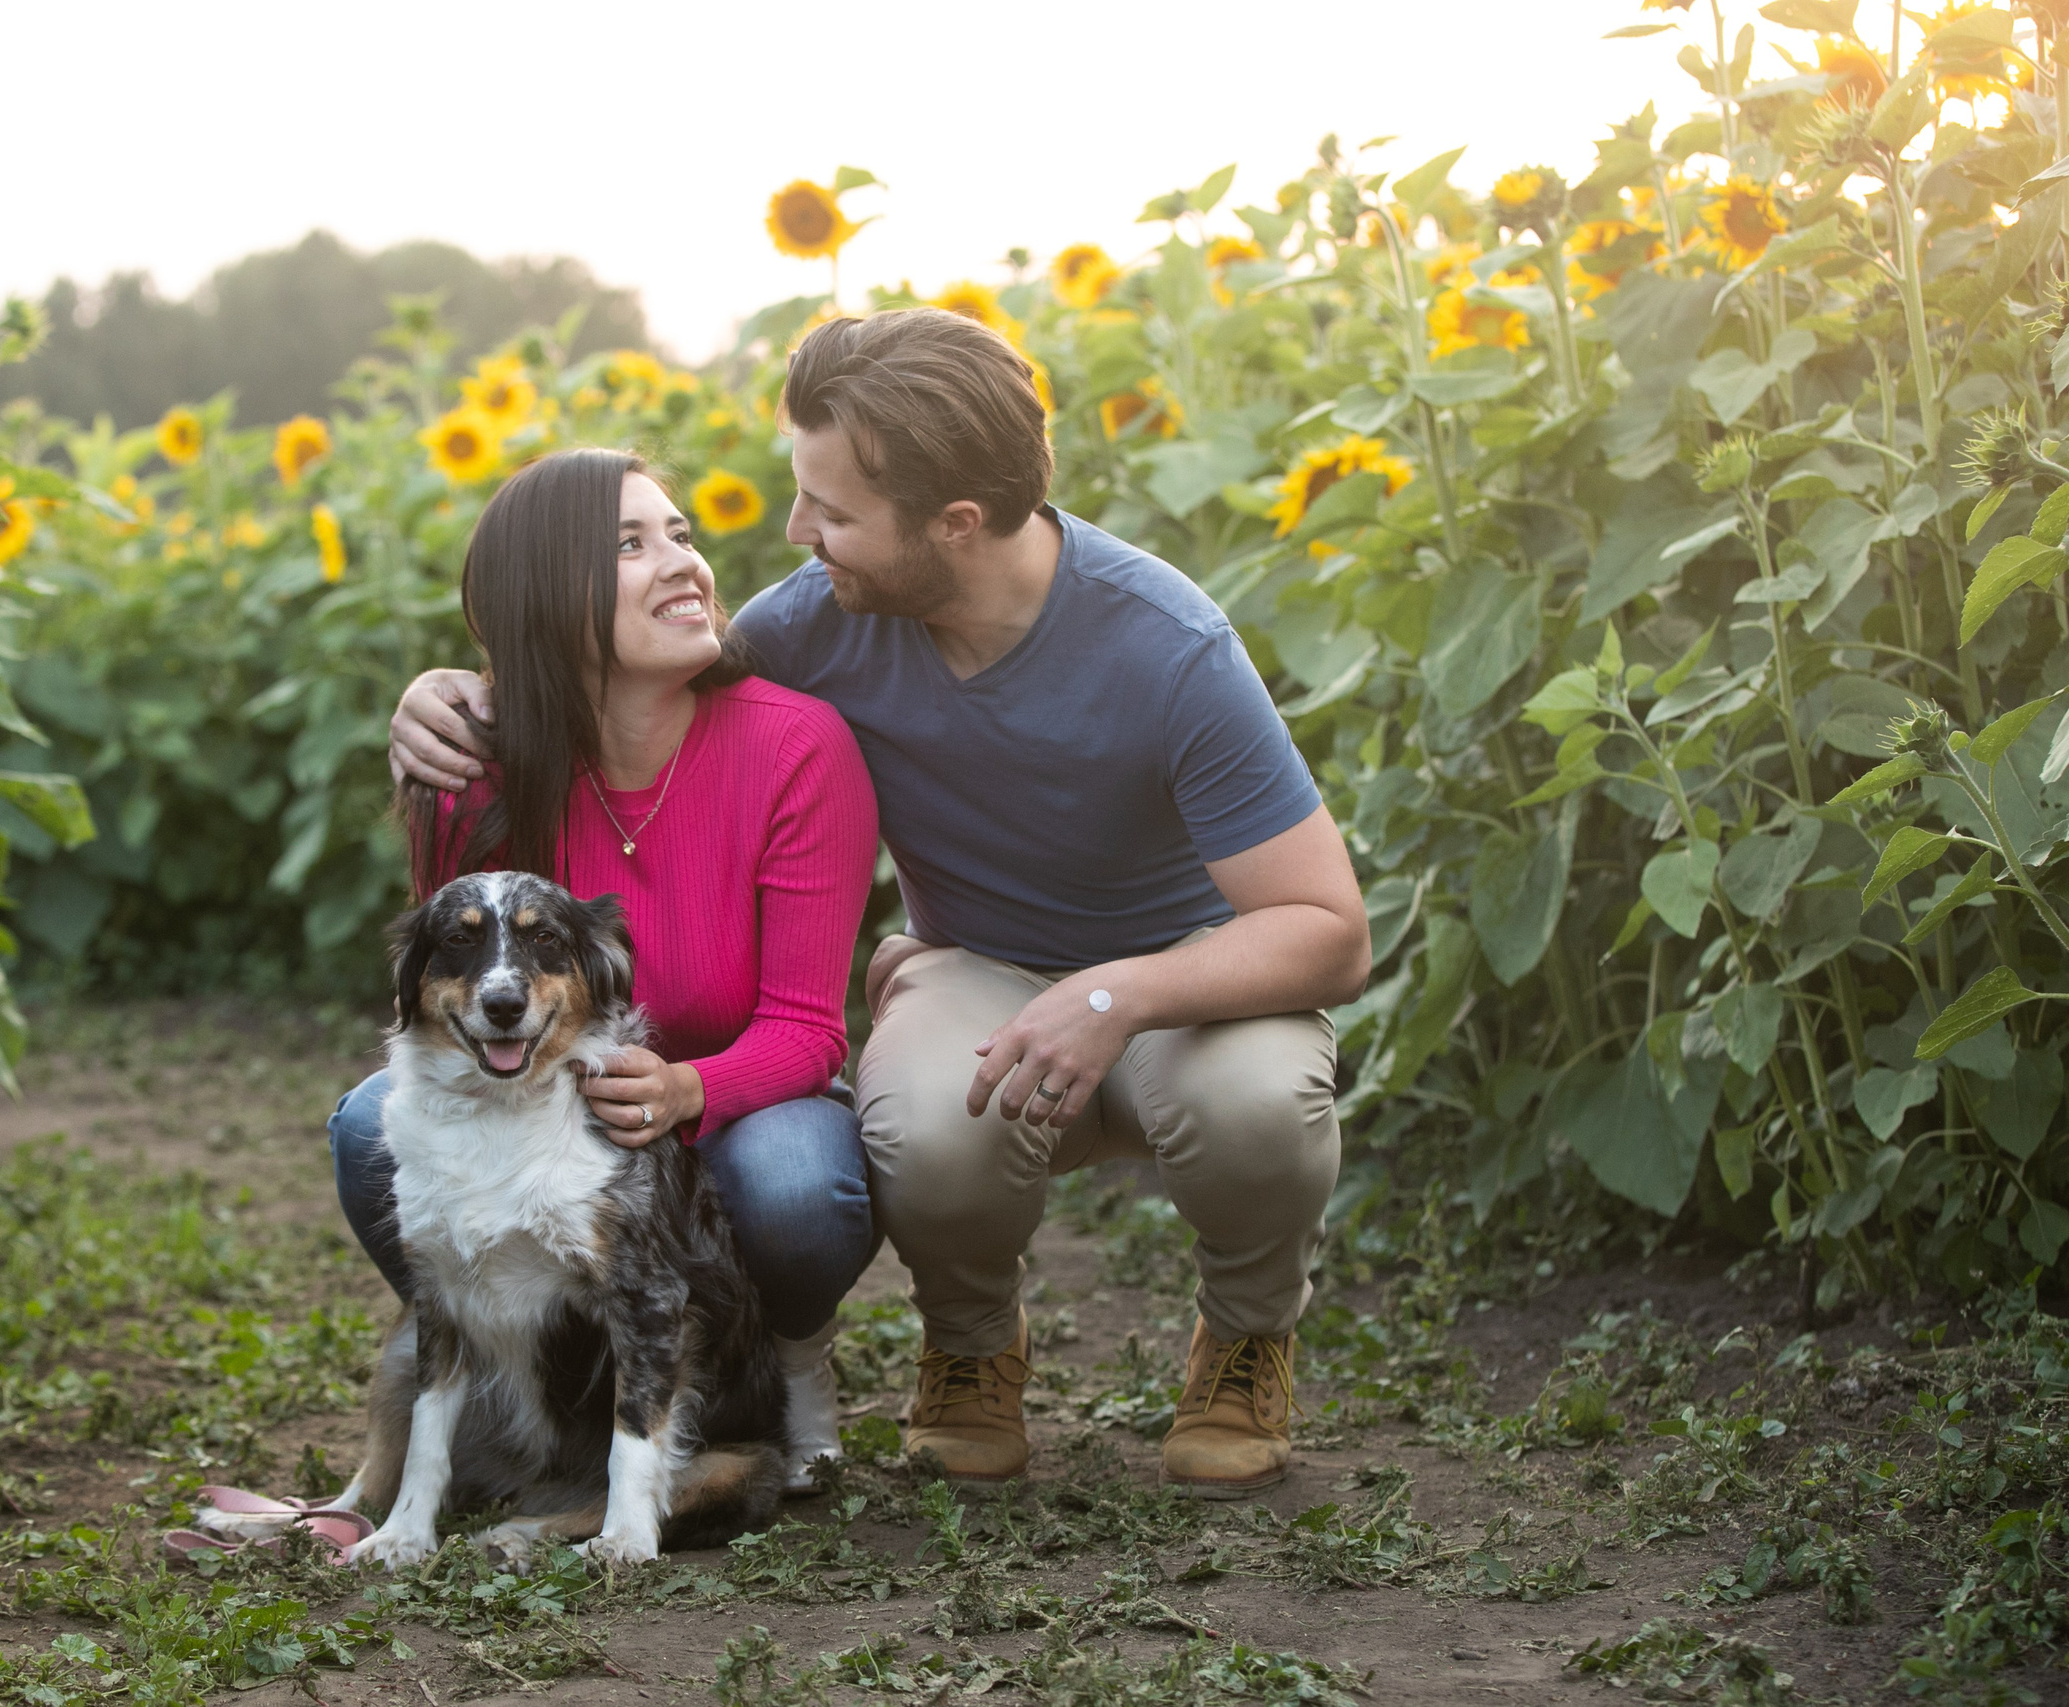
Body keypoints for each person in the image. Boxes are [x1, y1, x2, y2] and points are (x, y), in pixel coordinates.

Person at [392, 310, 1369, 1500]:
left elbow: (1328, 930)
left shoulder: (1167, 647)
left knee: (1258, 1104)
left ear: (953, 524)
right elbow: (615, 675)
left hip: (1195, 972)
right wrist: (455, 689)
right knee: (920, 1125)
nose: (798, 536)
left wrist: (1113, 997)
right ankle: (970, 1346)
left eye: (832, 512)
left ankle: (1247, 1339)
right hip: (981, 965)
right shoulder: (813, 624)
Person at [332, 447, 879, 1493]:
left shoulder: (798, 746)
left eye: (681, 533)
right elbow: (458, 1008)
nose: (683, 563)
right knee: (368, 1128)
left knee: (798, 1183)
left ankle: (786, 1363)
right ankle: (520, 1370)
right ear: (547, 594)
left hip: (738, 1111)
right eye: (630, 544)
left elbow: (808, 1029)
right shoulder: (472, 769)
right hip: (550, 1113)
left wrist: (682, 1088)